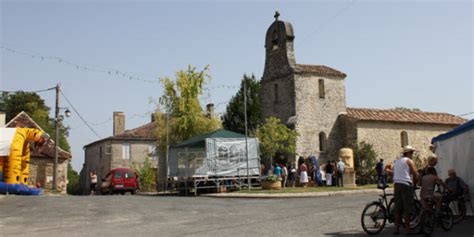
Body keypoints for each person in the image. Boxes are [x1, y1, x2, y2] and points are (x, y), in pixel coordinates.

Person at [390, 145, 418, 235]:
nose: (412, 154)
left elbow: (395, 172)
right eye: (412, 153)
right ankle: (407, 229)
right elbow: (415, 174)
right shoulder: (409, 161)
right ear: (409, 153)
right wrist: (415, 184)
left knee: (398, 208)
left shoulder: (397, 161)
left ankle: (396, 228)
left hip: (397, 184)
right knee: (407, 208)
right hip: (406, 184)